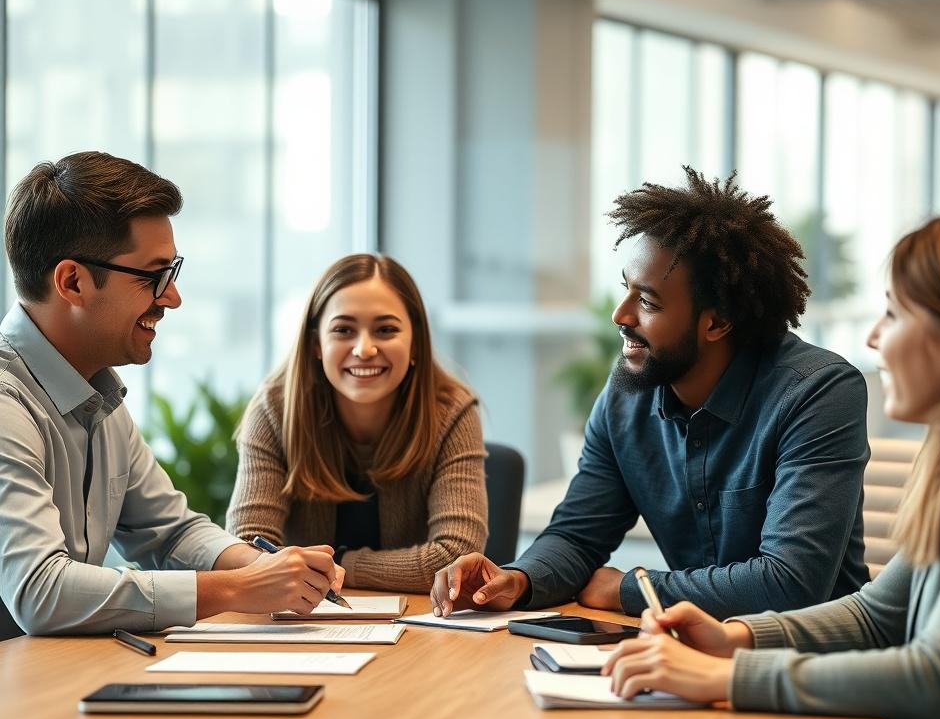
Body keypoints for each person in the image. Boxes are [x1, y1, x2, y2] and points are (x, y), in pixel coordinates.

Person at [603, 213, 940, 719]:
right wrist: (736, 639)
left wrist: (726, 676)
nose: (873, 338)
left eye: (892, 314)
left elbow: (937, 677)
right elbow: (878, 617)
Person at [431, 167, 870, 619]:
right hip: (688, 654)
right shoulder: (627, 394)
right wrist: (517, 580)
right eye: (626, 290)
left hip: (810, 665)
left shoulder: (818, 393)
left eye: (648, 302)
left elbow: (790, 583)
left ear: (717, 322)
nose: (620, 315)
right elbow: (578, 536)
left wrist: (629, 589)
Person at [0, 151, 343, 639]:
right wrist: (236, 588)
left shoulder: (96, 393)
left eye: (173, 272)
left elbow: (172, 531)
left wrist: (272, 569)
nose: (172, 297)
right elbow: (41, 592)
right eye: (152, 276)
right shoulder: (6, 404)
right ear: (73, 281)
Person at [226, 254, 487, 593]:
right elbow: (247, 549)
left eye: (386, 330)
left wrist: (339, 565)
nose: (364, 349)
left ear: (415, 345)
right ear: (316, 343)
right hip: (301, 624)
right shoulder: (275, 410)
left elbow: (456, 558)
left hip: (424, 627)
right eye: (344, 330)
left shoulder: (452, 412)